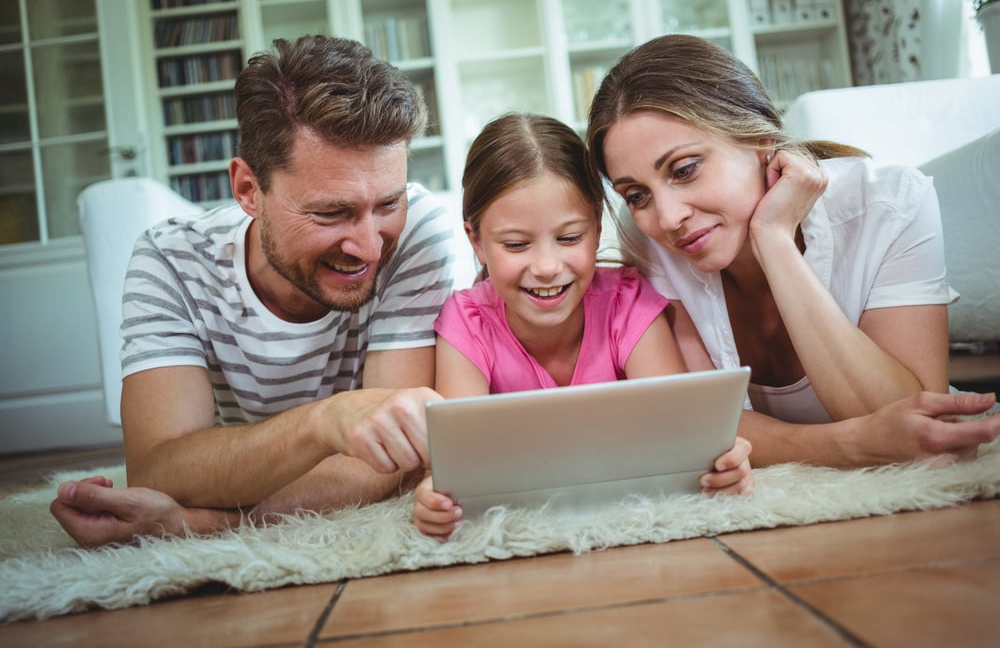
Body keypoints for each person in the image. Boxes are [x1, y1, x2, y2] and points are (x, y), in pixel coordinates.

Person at [49, 35, 459, 547]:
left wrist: (202, 524)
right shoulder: (170, 260)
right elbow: (159, 469)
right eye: (330, 212)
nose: (369, 247)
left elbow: (393, 461)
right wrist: (323, 423)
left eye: (387, 204)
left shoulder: (417, 233)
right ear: (248, 190)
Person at [585, 34, 1000, 469]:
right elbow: (701, 423)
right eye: (636, 195)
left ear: (761, 139)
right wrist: (851, 444)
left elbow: (915, 425)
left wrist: (775, 239)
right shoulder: (648, 240)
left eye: (685, 170)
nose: (668, 218)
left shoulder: (890, 205)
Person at [413, 113, 754, 540]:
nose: (547, 267)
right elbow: (458, 468)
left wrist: (721, 463)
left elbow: (680, 438)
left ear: (597, 227)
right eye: (516, 245)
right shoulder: (466, 322)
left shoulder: (626, 302)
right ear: (477, 242)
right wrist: (437, 498)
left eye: (570, 238)